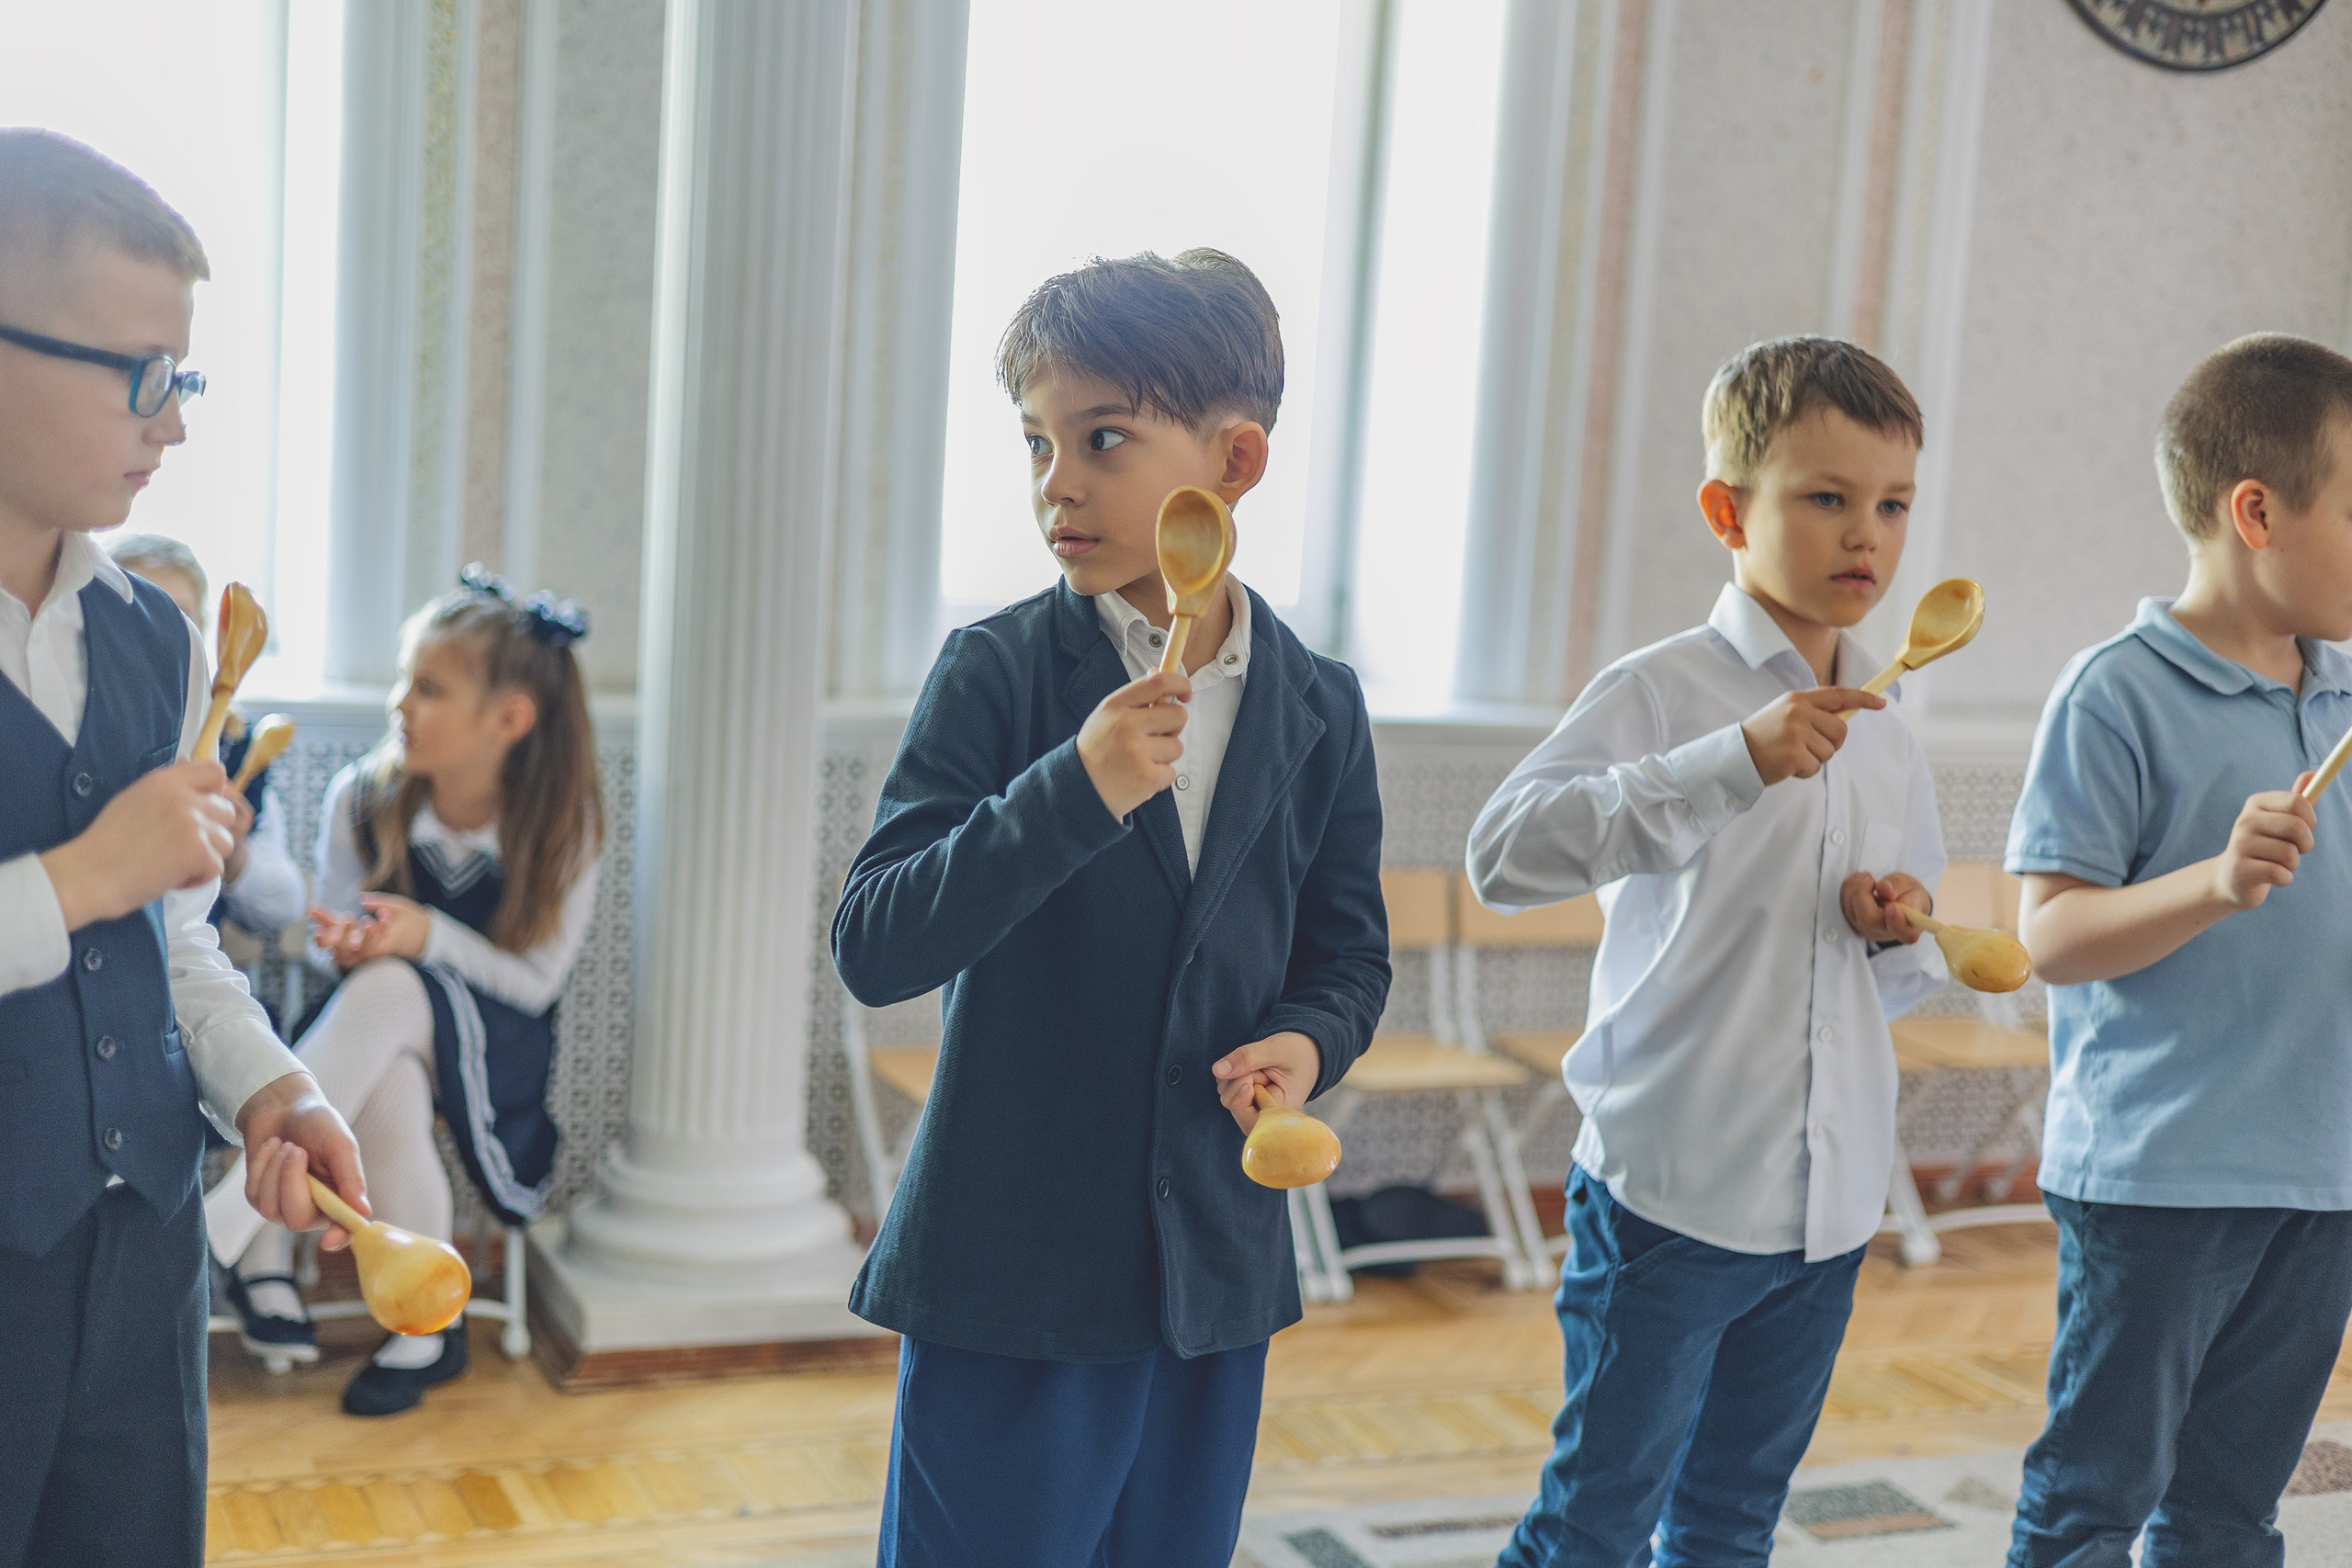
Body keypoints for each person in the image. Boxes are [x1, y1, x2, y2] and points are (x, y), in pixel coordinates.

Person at [832, 249, 1390, 1568]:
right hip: (1012, 1271)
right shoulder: (997, 671)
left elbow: (1347, 954)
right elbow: (877, 939)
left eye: (1103, 439)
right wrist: (1074, 787)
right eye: (1036, 442)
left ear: (1234, 463)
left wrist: (1307, 1045)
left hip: (1215, 1265)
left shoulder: (1322, 706)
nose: (1056, 483)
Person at [1467, 334, 1950, 1566]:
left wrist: (1891, 916)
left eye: (1892, 503)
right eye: (1827, 497)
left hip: (1828, 1201)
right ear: (1728, 511)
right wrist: (1727, 760)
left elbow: (1894, 966)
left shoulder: (1891, 730)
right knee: (1595, 1519)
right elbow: (1502, 854)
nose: (1868, 536)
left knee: (1732, 1519)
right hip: (1671, 1188)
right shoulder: (1664, 688)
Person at [0, 128, 362, 1566]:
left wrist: (270, 1084)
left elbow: (178, 940)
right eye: (142, 372)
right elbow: (113, 891)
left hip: (144, 1260)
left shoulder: (155, 639)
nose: (176, 422)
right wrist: (88, 873)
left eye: (185, 375)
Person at [2003, 334, 2352, 1567]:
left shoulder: (2348, 692)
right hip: (2161, 1180)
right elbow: (2047, 936)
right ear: (2256, 510)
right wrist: (2212, 879)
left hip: (2321, 1177)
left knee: (2230, 1506)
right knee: (2093, 1499)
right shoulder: (2114, 693)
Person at [205, 566, 602, 1416]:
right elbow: (330, 948)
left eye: (428, 688)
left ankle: (226, 1230)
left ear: (509, 720)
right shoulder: (365, 797)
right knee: (388, 1054)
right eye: (403, 679)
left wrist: (426, 938)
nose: (400, 704)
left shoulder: (564, 825)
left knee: (395, 987)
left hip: (501, 1046)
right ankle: (427, 1323)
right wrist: (351, 950)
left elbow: (535, 983)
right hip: (374, 1030)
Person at [107, 532, 306, 944]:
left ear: (202, 635)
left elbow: (284, 907)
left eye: (179, 618)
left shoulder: (233, 748)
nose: (159, 637)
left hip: (193, 973)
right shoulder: (79, 736)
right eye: (137, 615)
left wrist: (235, 855)